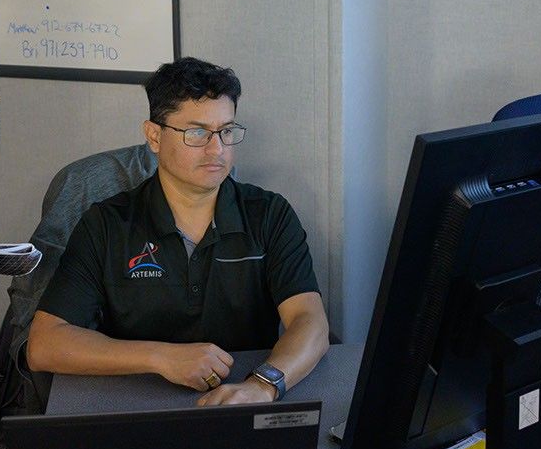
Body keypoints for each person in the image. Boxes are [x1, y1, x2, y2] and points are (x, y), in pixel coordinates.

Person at [27, 57, 329, 405]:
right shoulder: (106, 224)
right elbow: (45, 344)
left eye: (226, 131)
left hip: (242, 395)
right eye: (196, 133)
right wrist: (161, 357)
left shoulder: (270, 215)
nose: (217, 149)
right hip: (135, 397)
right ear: (154, 136)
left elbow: (310, 321)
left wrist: (263, 386)